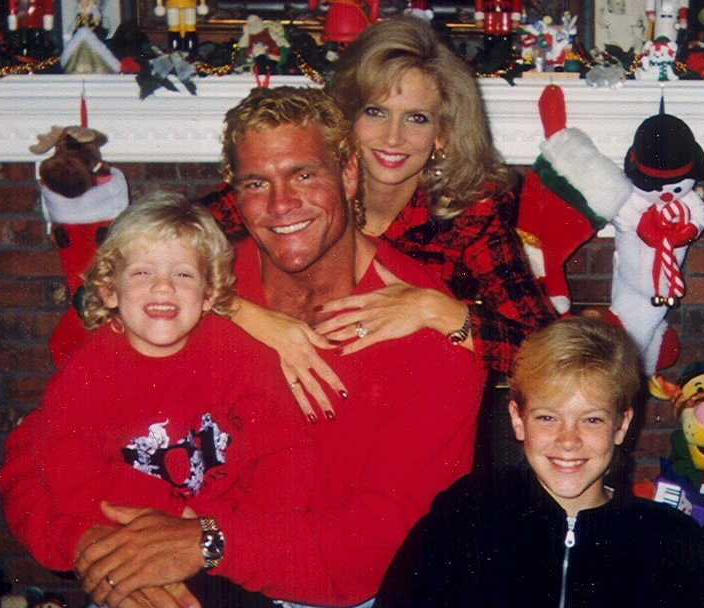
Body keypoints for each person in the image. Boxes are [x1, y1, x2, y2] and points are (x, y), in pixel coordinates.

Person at [0, 86, 501, 608]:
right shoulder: (178, 287)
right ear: (235, 193)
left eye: (303, 175)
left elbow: (388, 536)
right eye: (257, 182)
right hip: (186, 598)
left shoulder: (428, 328)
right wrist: (94, 547)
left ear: (349, 174)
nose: (282, 205)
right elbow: (38, 449)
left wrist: (208, 539)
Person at [5, 190, 312, 608]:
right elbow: (71, 475)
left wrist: (216, 524)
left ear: (212, 290)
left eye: (183, 275)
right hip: (143, 541)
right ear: (108, 291)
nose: (164, 287)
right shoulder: (88, 373)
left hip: (224, 540)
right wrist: (161, 522)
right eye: (143, 272)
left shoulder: (239, 354)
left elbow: (281, 452)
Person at [367, 316, 704, 608]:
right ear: (518, 419)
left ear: (622, 425)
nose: (568, 441)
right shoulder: (475, 506)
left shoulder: (667, 537)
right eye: (548, 418)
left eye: (591, 420)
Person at [201, 16, 554, 427]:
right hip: (275, 403)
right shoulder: (296, 191)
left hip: (398, 415)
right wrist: (250, 316)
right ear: (346, 120)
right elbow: (151, 248)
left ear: (443, 133)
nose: (393, 137)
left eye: (417, 118)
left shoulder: (469, 215)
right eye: (375, 112)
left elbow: (547, 349)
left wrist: (435, 309)